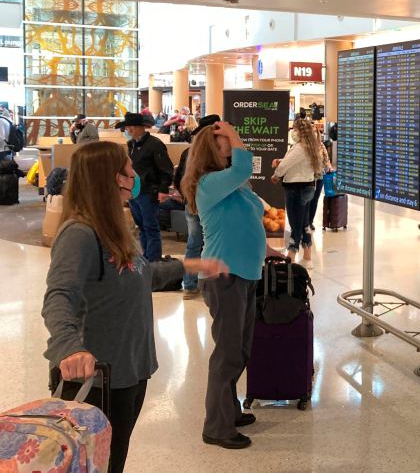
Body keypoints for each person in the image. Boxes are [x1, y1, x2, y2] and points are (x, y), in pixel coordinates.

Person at [41, 141, 227, 473]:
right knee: (98, 465)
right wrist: (69, 347)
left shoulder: (114, 228)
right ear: (106, 178)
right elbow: (58, 295)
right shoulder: (80, 234)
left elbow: (140, 274)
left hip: (128, 370)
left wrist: (189, 266)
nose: (134, 174)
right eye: (127, 169)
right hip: (94, 379)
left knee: (113, 459)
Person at [181, 121, 267, 450]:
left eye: (228, 142)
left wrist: (267, 249)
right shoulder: (208, 183)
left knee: (239, 350)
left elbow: (247, 216)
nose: (229, 148)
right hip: (224, 277)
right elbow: (245, 164)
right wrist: (232, 131)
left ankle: (229, 410)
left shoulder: (230, 184)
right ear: (209, 150)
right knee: (228, 353)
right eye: (223, 144)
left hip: (244, 273)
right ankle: (216, 426)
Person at [172, 114, 219, 299]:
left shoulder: (188, 153)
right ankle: (209, 283)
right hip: (211, 207)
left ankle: (190, 285)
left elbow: (178, 180)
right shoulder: (219, 158)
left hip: (191, 205)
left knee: (194, 243)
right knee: (211, 243)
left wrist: (187, 197)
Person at [116, 112, 173, 262]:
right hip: (135, 192)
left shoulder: (155, 144)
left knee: (150, 227)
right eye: (128, 127)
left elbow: (165, 169)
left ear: (141, 127)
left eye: (131, 127)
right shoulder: (131, 145)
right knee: (141, 227)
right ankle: (147, 258)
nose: (129, 130)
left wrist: (163, 189)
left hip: (148, 191)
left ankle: (153, 261)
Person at [271, 119, 322, 263]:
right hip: (308, 186)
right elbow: (296, 162)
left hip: (295, 188)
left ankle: (291, 256)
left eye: (294, 129)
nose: (293, 132)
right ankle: (307, 255)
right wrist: (281, 160)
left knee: (295, 223)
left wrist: (276, 175)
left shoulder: (300, 147)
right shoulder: (311, 147)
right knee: (305, 221)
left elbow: (286, 165)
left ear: (299, 131)